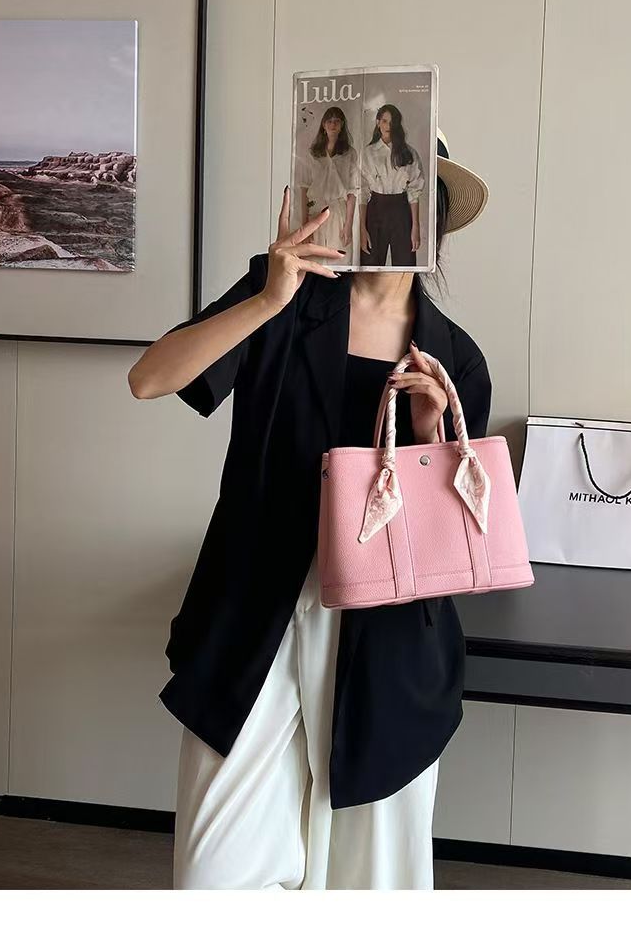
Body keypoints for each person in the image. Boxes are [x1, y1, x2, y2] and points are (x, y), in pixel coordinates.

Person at [127, 129, 490, 890]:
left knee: (369, 882)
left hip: (389, 638)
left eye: (410, 195)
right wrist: (267, 299)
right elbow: (151, 378)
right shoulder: (286, 300)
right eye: (375, 191)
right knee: (215, 877)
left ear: (433, 219)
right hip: (254, 614)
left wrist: (430, 432)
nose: (389, 209)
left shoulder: (454, 357)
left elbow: (457, 529)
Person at [360, 103, 425, 267]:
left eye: (392, 122)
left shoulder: (409, 153)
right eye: (384, 121)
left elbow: (414, 192)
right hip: (375, 210)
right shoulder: (367, 153)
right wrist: (362, 229)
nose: (388, 126)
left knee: (405, 264)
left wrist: (415, 227)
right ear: (378, 122)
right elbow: (362, 192)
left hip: (401, 211)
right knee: (370, 264)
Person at [297, 106, 359, 259]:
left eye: (336, 121)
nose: (333, 124)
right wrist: (305, 225)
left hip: (338, 213)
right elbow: (304, 189)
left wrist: (348, 225)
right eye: (329, 121)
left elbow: (352, 192)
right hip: (315, 212)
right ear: (323, 125)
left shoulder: (349, 154)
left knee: (338, 260)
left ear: (342, 125)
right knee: (314, 260)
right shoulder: (312, 154)